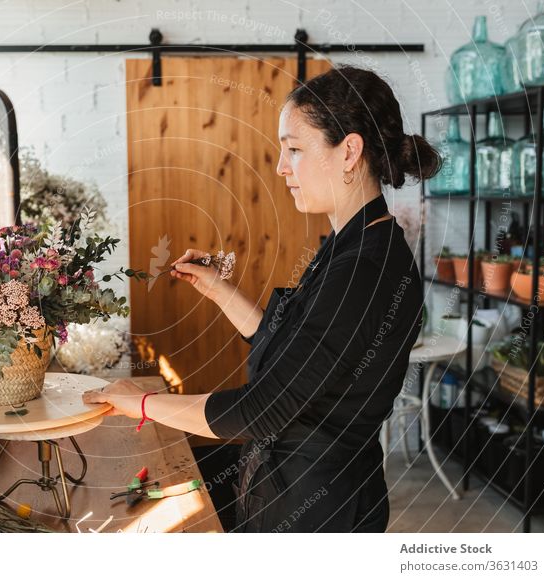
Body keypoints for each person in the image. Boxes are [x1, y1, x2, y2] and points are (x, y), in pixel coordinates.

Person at [82, 65, 439, 532]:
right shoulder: (352, 241)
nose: (281, 166)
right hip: (293, 488)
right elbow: (296, 347)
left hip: (316, 512)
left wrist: (144, 404)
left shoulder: (365, 269)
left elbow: (263, 407)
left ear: (349, 151)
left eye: (294, 149)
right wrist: (219, 290)